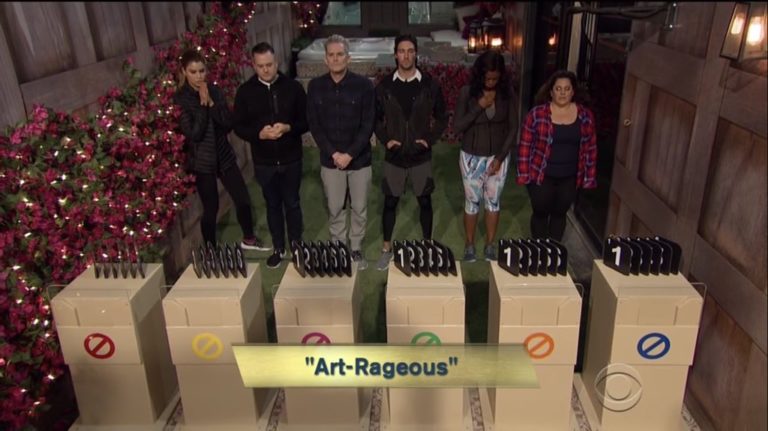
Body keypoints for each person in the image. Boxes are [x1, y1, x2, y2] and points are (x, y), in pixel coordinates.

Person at [174, 49, 269, 251]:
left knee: (242, 199)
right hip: (202, 162)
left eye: (202, 71)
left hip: (223, 155)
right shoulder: (181, 99)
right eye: (193, 72)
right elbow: (194, 134)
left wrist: (211, 104)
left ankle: (249, 239)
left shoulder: (215, 91)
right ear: (184, 72)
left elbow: (227, 124)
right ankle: (211, 250)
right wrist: (203, 106)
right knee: (211, 209)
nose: (199, 76)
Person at [374, 34, 448, 271]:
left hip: (420, 156)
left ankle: (427, 247)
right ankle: (386, 249)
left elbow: (442, 117)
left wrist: (429, 139)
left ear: (416, 54)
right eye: (401, 51)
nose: (406, 55)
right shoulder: (385, 86)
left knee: (425, 201)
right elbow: (375, 119)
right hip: (394, 156)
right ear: (395, 55)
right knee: (390, 202)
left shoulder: (430, 85)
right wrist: (386, 140)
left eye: (410, 51)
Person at [233, 42, 308, 268]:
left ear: (276, 62)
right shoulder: (245, 92)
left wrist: (288, 128)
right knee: (272, 205)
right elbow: (238, 126)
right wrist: (259, 134)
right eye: (261, 66)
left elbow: (306, 121)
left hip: (291, 159)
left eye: (269, 64)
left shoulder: (293, 88)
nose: (266, 69)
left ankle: (296, 246)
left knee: (292, 204)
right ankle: (278, 248)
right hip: (264, 162)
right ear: (253, 66)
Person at [306, 34, 376, 270]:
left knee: (359, 207)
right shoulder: (315, 87)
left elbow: (368, 124)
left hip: (360, 160)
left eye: (340, 54)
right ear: (325, 59)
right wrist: (334, 154)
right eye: (331, 55)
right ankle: (337, 249)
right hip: (331, 161)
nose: (335, 59)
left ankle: (355, 249)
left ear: (348, 58)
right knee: (335, 207)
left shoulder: (364, 86)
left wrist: (350, 154)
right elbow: (314, 125)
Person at [516, 70, 597, 241]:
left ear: (573, 92)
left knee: (559, 214)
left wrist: (589, 177)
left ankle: (553, 251)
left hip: (570, 178)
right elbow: (525, 146)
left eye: (567, 89)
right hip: (541, 176)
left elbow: (591, 148)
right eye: (558, 89)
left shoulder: (585, 116)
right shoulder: (536, 114)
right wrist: (524, 175)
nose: (562, 93)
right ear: (551, 92)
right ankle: (539, 249)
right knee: (540, 212)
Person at [453, 51, 518, 262]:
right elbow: (457, 126)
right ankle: (469, 244)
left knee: (493, 201)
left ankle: (490, 245)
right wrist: (479, 106)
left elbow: (513, 128)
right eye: (487, 78)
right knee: (472, 202)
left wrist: (500, 157)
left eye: (495, 79)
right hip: (471, 158)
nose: (491, 82)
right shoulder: (467, 93)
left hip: (498, 157)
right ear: (480, 75)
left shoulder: (507, 94)